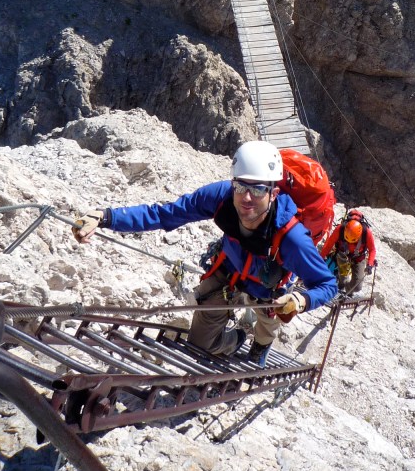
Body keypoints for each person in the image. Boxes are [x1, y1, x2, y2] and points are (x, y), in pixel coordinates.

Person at [73, 141, 338, 366]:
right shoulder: (220, 198)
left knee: (267, 325)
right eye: (242, 187)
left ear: (274, 193)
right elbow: (164, 215)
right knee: (200, 344)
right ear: (233, 184)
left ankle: (259, 351)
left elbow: (327, 284)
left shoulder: (292, 238)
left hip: (267, 288)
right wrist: (106, 217)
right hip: (229, 270)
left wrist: (301, 300)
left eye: (258, 190)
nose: (247, 198)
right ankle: (237, 339)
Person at [320, 210, 377, 297]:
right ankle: (340, 285)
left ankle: (346, 289)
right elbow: (328, 245)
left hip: (358, 257)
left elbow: (372, 250)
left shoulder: (366, 232)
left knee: (357, 287)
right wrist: (320, 259)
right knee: (342, 279)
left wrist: (370, 264)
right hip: (343, 255)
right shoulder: (340, 229)